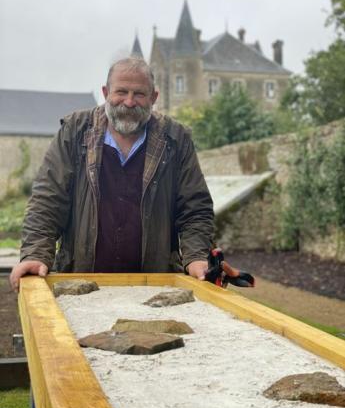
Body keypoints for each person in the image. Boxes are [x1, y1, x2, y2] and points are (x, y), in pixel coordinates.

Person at [10, 57, 214, 291]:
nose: (129, 102)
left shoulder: (176, 138)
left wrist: (197, 256)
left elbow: (195, 208)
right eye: (121, 92)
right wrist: (35, 254)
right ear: (106, 92)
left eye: (139, 94)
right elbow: (47, 201)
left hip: (154, 285)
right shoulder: (75, 131)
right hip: (81, 281)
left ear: (154, 98)